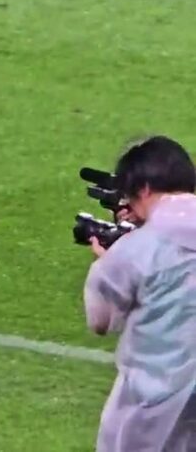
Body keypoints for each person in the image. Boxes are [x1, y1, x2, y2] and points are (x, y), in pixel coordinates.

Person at [84, 135, 196, 452]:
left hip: (153, 409)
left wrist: (106, 263)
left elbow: (101, 320)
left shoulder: (136, 251)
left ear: (144, 189)